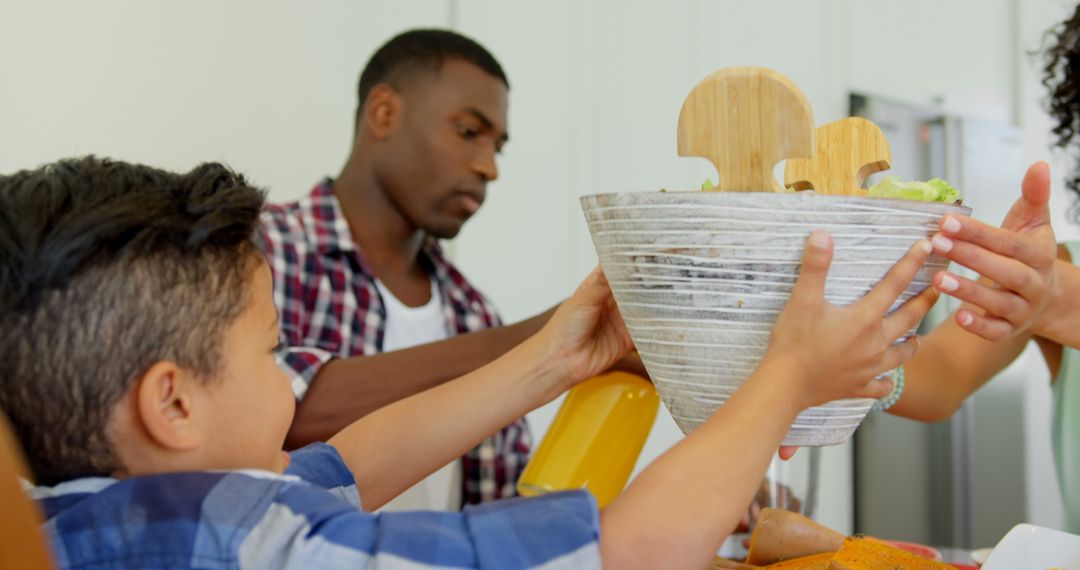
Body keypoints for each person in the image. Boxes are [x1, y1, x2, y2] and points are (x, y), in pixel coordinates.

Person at [0, 156, 933, 569]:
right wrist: (787, 378)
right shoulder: (236, 542)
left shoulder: (67, 518)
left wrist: (555, 359)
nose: (289, 376)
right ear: (171, 404)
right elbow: (632, 554)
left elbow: (343, 469)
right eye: (271, 353)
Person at [260, 28, 628, 510]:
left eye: (498, 147)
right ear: (384, 113)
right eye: (469, 132)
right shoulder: (262, 251)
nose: (490, 167)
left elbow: (504, 499)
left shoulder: (473, 312)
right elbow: (273, 411)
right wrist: (549, 338)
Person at [883, 3, 1080, 532]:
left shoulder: (1055, 283)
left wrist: (1059, 303)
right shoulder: (1055, 265)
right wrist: (849, 357)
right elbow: (940, 374)